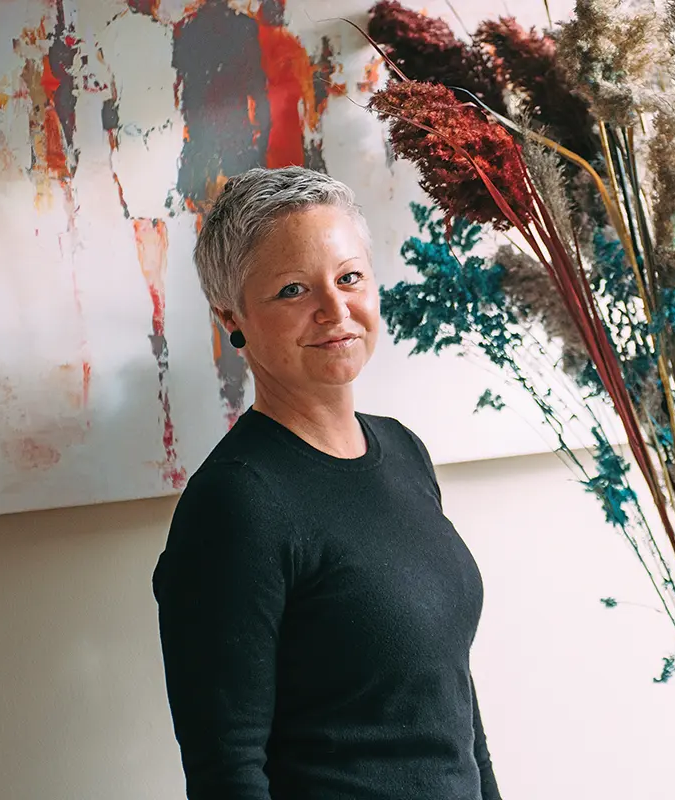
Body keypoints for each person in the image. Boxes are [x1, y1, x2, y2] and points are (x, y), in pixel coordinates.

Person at [152, 165, 501, 800]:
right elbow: (226, 772)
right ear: (232, 316)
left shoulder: (402, 450)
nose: (335, 310)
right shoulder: (235, 504)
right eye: (292, 290)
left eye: (349, 278)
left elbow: (452, 703)